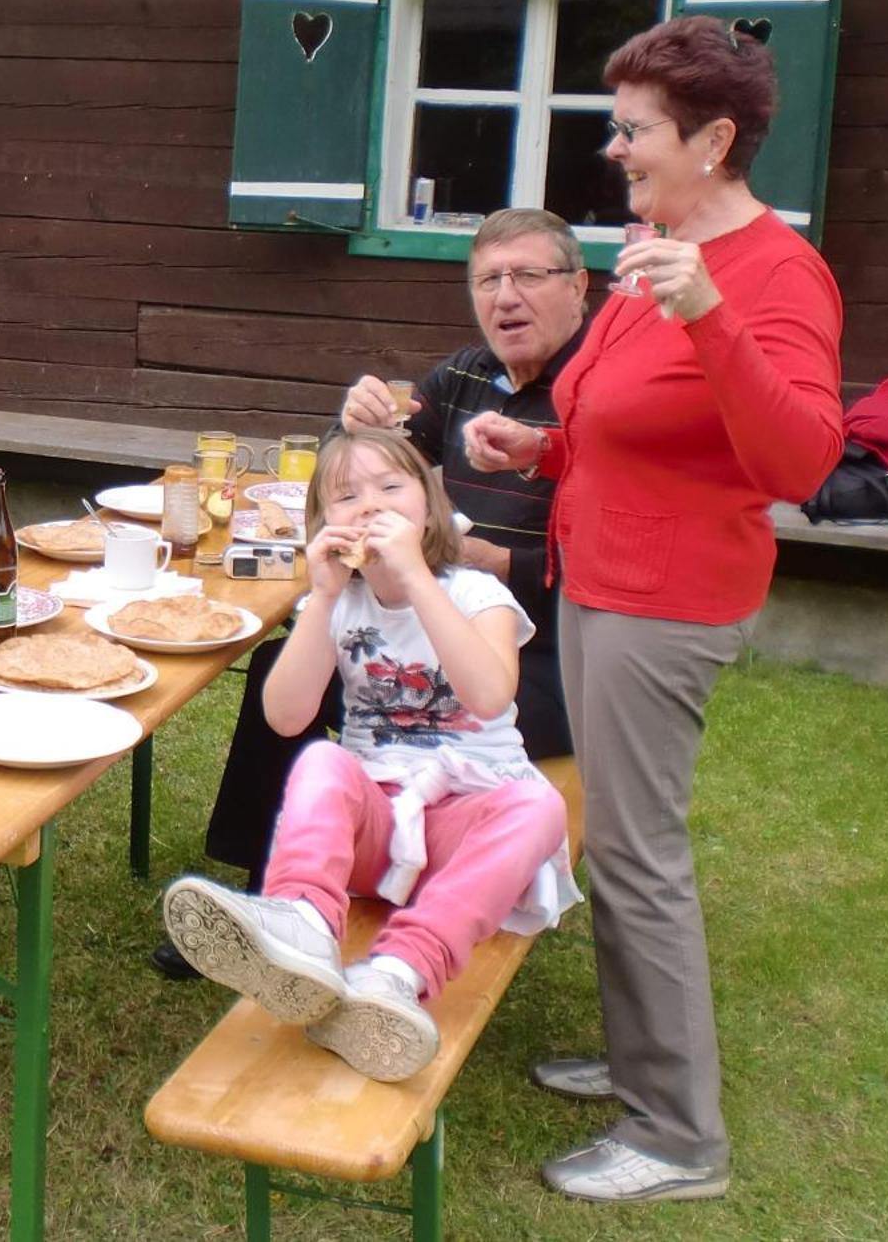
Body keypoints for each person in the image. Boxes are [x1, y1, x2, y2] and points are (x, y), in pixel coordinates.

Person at [463, 15, 843, 1202]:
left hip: (664, 599)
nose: (613, 149)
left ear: (713, 138)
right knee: (622, 845)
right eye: (613, 126)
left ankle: (676, 1136)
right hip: (601, 575)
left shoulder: (771, 274)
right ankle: (640, 1062)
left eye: (632, 131)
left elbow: (797, 459)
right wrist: (543, 448)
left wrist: (708, 318)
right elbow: (625, 417)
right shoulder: (658, 243)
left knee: (636, 858)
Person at [158, 209, 590, 980]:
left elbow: (596, 558)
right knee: (278, 675)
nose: (505, 296)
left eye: (528, 275)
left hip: (542, 647)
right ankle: (269, 893)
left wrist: (474, 562)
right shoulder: (458, 378)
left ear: (578, 286)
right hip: (410, 607)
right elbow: (368, 475)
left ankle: (372, 912)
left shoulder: (598, 396)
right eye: (488, 279)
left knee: (383, 699)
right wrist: (348, 423)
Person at [161, 428, 579, 1083]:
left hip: (464, 830)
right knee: (322, 763)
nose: (370, 504)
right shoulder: (339, 602)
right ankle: (302, 925)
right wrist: (322, 596)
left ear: (430, 506)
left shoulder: (476, 595)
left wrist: (416, 578)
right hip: (379, 827)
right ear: (323, 524)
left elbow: (492, 695)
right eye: (346, 495)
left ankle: (397, 974)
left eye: (390, 486)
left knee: (538, 806)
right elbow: (286, 716)